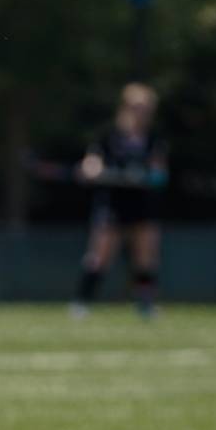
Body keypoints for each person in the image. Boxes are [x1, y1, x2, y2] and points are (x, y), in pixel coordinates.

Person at [72, 82, 168, 319]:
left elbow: (159, 172)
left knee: (146, 257)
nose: (141, 113)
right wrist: (93, 170)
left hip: (143, 204)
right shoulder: (109, 136)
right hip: (112, 203)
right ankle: (81, 304)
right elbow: (91, 163)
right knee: (99, 256)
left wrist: (147, 177)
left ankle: (145, 305)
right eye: (137, 107)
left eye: (146, 108)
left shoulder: (153, 139)